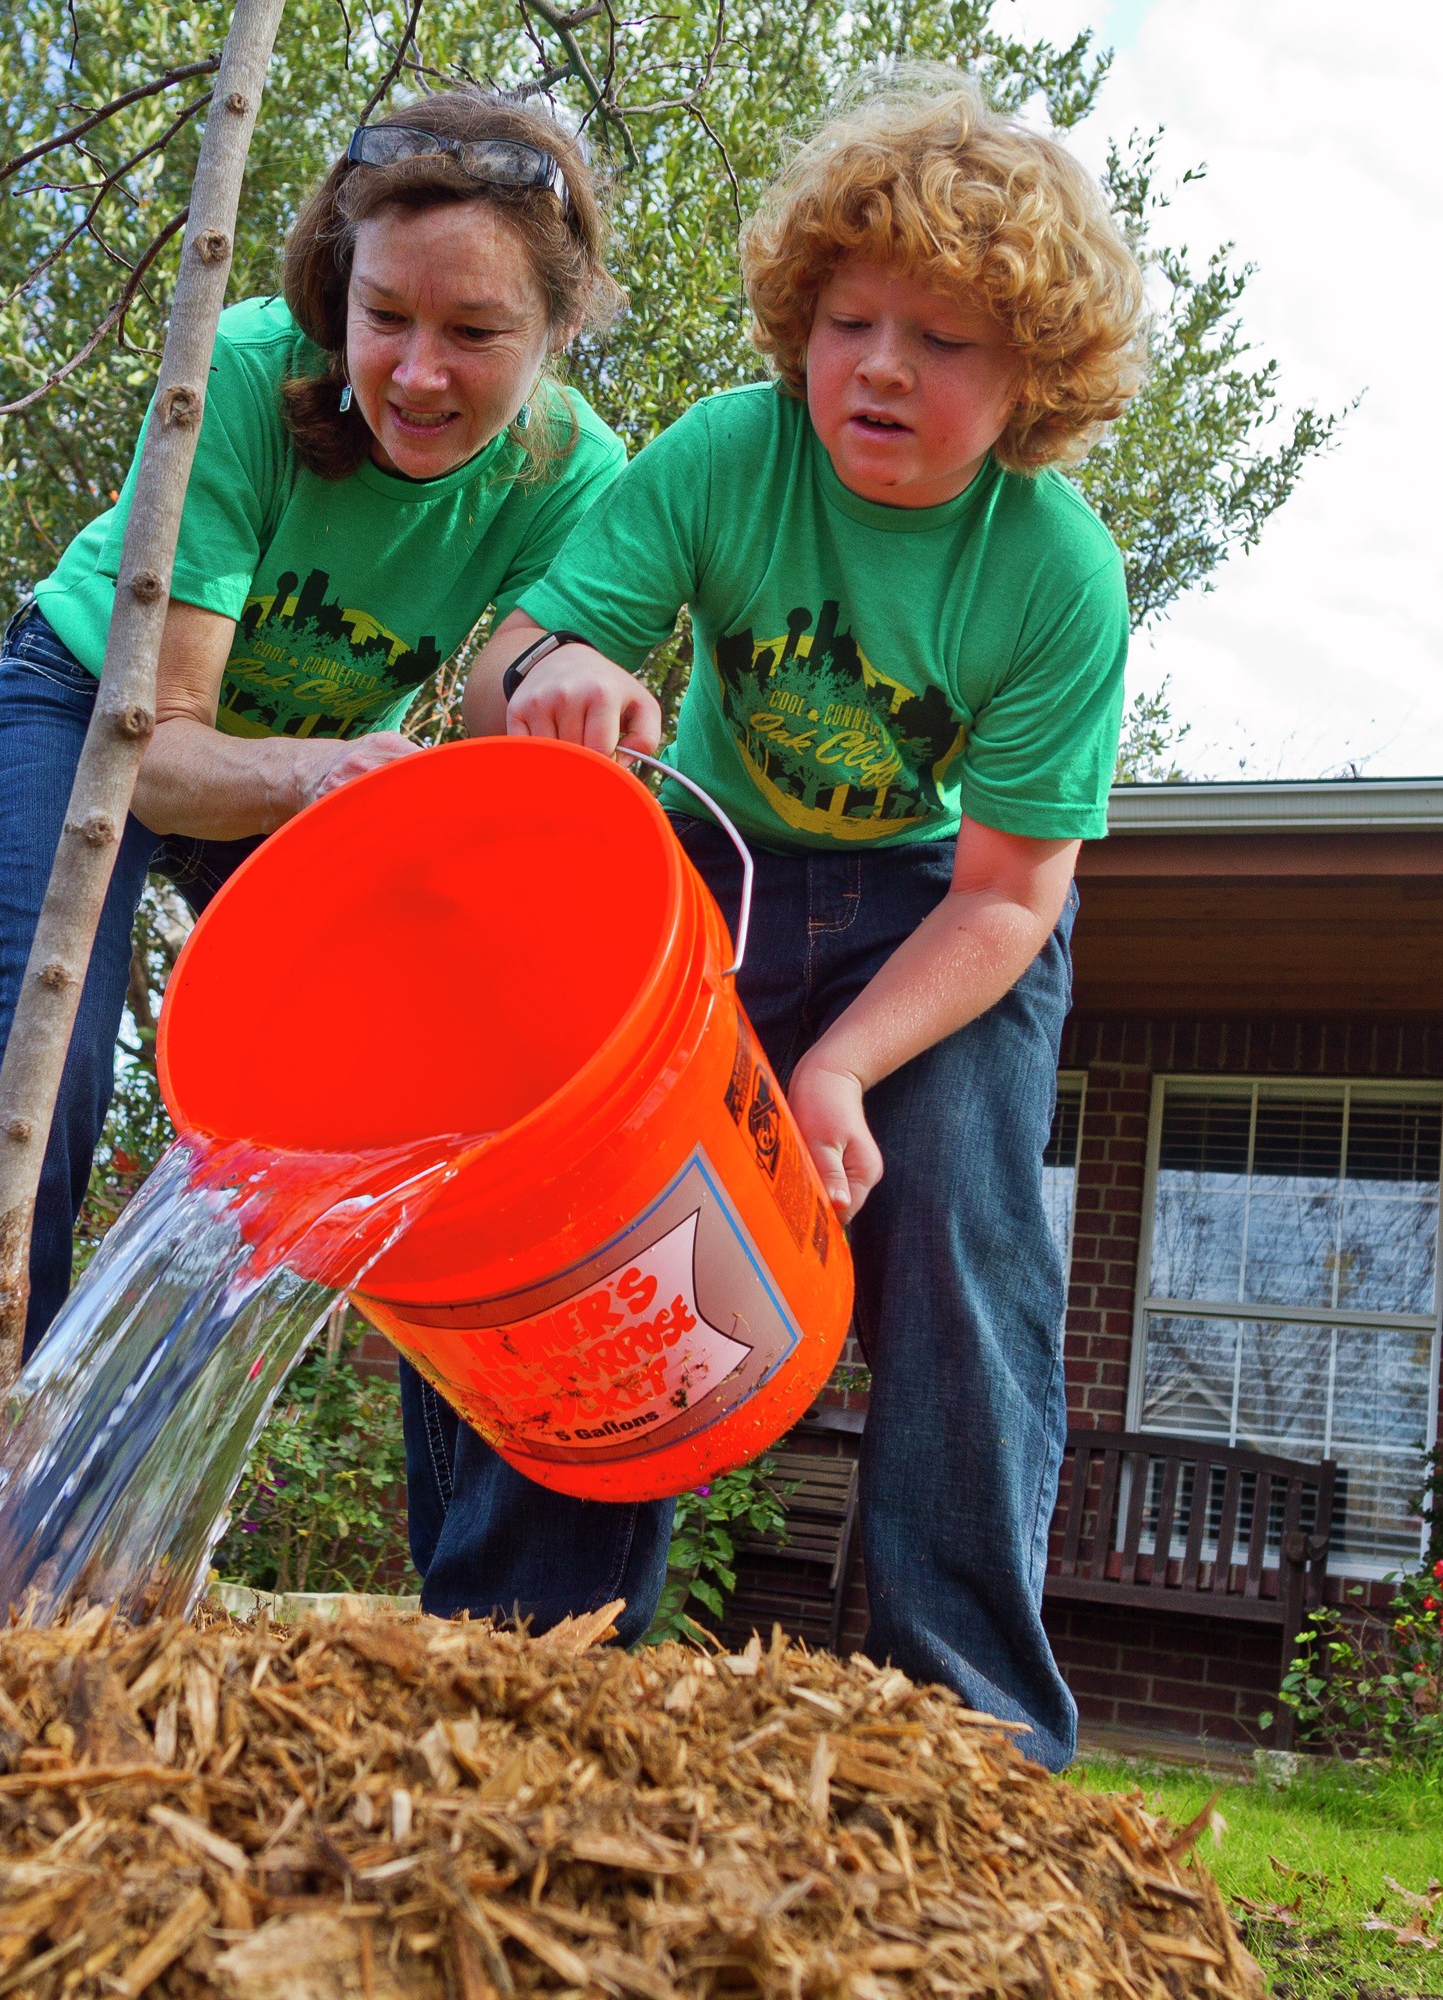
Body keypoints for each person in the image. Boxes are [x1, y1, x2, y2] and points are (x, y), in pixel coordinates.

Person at [0, 94, 673, 1634]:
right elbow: (162, 749)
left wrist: (585, 696)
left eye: (475, 333)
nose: (417, 373)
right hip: (92, 715)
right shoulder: (243, 374)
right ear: (334, 295)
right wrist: (327, 772)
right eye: (384, 317)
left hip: (296, 776)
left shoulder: (573, 472)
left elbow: (509, 699)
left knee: (428, 1107)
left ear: (557, 332)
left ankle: (488, 1608)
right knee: (48, 1069)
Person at [465, 69, 1144, 1764]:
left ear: (1039, 383)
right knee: (577, 1210)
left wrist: (837, 1070)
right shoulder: (727, 450)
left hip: (934, 918)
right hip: (711, 877)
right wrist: (563, 672)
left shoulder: (1058, 573)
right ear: (800, 323)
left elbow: (1008, 894)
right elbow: (509, 658)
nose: (884, 368)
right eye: (850, 322)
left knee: (967, 1239)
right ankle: (524, 1658)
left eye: (949, 340)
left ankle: (971, 1729)